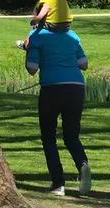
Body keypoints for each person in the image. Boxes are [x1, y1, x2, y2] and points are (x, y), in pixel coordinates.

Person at [24, 20, 91, 196]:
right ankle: (82, 164)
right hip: (76, 87)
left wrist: (28, 49)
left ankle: (58, 183)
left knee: (49, 137)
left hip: (52, 88)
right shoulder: (72, 35)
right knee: (71, 135)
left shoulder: (36, 35)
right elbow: (83, 64)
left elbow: (32, 68)